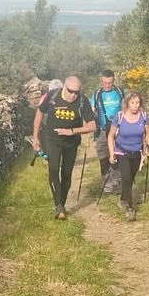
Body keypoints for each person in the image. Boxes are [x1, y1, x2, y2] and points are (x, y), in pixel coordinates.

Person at [33, 75, 96, 219]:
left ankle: (62, 202)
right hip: (52, 140)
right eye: (71, 91)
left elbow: (92, 125)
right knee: (54, 169)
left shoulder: (82, 100)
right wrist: (36, 138)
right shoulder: (52, 95)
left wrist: (72, 131)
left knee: (66, 174)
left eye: (77, 92)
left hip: (71, 143)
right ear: (64, 87)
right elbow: (39, 115)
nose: (74, 95)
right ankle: (59, 207)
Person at [107, 91, 149, 222]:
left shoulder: (143, 116)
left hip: (136, 153)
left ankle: (122, 199)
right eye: (132, 103)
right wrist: (111, 153)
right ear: (127, 103)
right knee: (126, 178)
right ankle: (130, 209)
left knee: (130, 179)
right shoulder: (119, 116)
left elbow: (148, 133)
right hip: (122, 152)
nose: (135, 105)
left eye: (137, 103)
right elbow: (111, 135)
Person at [91, 70, 126, 194]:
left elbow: (127, 108)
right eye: (104, 83)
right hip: (101, 130)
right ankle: (106, 184)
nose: (107, 85)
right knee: (103, 157)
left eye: (109, 83)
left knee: (118, 155)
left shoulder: (120, 92)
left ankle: (117, 183)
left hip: (118, 131)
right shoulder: (96, 94)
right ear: (101, 81)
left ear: (114, 81)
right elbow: (91, 110)